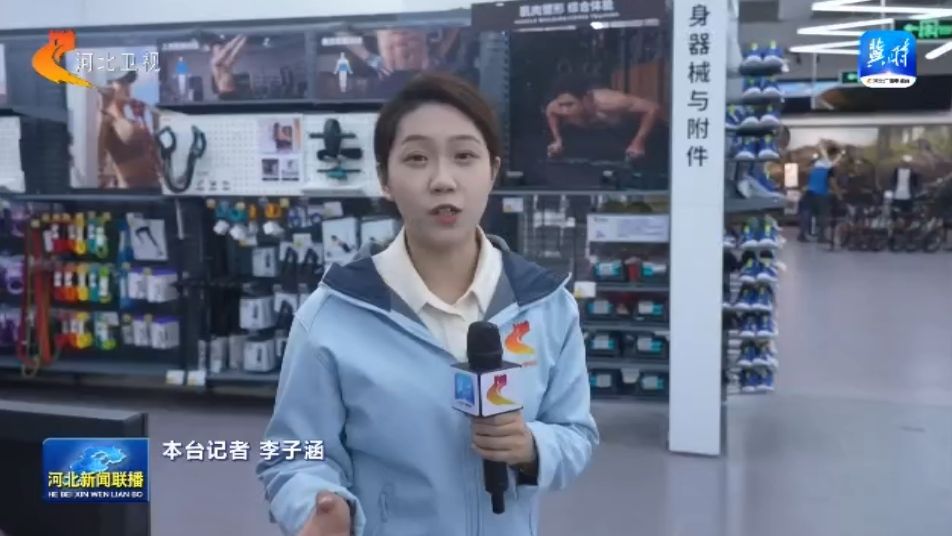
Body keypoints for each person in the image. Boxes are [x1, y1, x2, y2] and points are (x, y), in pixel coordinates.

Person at [257, 72, 598, 536]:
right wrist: (318, 506)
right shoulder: (331, 316)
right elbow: (293, 456)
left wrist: (532, 445)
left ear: (492, 170)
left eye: (464, 156)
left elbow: (576, 433)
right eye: (417, 158)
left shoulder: (547, 307)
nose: (442, 180)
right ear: (385, 178)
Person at [544, 74, 662, 161]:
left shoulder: (610, 102)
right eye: (561, 105)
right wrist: (557, 139)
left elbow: (652, 108)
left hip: (632, 130)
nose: (565, 111)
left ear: (585, 99)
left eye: (570, 105)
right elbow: (551, 112)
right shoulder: (555, 106)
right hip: (601, 133)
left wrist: (638, 141)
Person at [96, 71, 161, 189]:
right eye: (121, 82)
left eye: (128, 82)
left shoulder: (135, 114)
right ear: (109, 86)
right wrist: (107, 103)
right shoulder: (107, 119)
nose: (127, 86)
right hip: (131, 191)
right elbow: (98, 154)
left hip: (154, 187)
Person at [798, 141, 842, 242]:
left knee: (806, 213)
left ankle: (802, 234)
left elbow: (805, 174)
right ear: (833, 155)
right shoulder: (829, 167)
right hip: (821, 194)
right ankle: (821, 236)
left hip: (809, 192)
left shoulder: (815, 163)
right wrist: (839, 194)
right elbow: (832, 182)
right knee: (823, 215)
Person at [209, 34, 247, 100]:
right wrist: (238, 37)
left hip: (233, 92)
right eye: (218, 49)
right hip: (224, 93)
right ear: (213, 51)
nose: (220, 50)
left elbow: (235, 53)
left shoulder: (227, 62)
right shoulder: (214, 61)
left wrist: (245, 38)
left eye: (221, 48)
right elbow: (226, 50)